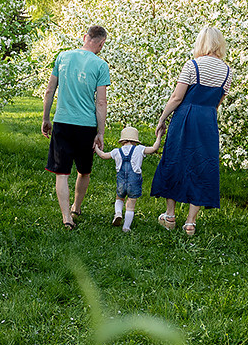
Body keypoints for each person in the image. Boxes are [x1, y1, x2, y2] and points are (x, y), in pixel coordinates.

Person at [151, 24, 230, 236]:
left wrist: (162, 118)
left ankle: (169, 216)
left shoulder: (192, 65)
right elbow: (217, 103)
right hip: (207, 120)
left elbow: (177, 97)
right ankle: (190, 223)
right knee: (202, 165)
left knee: (175, 160)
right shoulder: (227, 71)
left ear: (201, 43)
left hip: (186, 117)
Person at [41, 25, 110, 229]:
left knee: (62, 173)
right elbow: (101, 102)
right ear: (100, 43)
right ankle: (76, 208)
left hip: (62, 121)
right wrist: (100, 132)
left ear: (84, 37)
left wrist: (46, 118)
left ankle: (66, 218)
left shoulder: (62, 57)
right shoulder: (101, 65)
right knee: (84, 171)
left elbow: (49, 90)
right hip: (85, 126)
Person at [93, 125, 162, 231]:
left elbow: (103, 155)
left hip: (121, 181)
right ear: (135, 141)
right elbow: (154, 148)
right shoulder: (139, 149)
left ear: (123, 140)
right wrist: (159, 136)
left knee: (119, 198)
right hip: (134, 181)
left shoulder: (116, 151)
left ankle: (118, 213)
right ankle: (126, 227)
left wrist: (96, 147)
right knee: (130, 204)